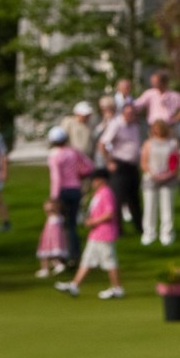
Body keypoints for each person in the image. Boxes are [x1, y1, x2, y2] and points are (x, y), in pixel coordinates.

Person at [60, 168, 124, 299]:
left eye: (94, 180)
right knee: (87, 260)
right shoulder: (98, 194)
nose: (92, 182)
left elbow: (109, 213)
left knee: (109, 261)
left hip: (105, 233)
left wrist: (93, 221)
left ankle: (117, 288)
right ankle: (74, 284)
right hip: (96, 234)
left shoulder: (106, 193)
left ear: (101, 180)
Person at [45, 124, 88, 263]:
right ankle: (75, 253)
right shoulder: (73, 151)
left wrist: (54, 196)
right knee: (72, 224)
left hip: (62, 191)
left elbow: (56, 177)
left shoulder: (54, 155)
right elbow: (89, 166)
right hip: (75, 189)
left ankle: (65, 254)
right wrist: (79, 175)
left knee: (62, 225)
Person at [102, 102, 145, 234]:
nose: (130, 116)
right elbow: (104, 143)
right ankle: (117, 228)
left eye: (132, 113)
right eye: (128, 113)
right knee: (118, 198)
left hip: (132, 165)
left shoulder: (134, 126)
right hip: (120, 164)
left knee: (134, 198)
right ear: (123, 113)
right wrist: (109, 162)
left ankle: (140, 227)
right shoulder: (116, 124)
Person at [141, 120, 180, 246]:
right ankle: (149, 232)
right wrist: (153, 174)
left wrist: (168, 174)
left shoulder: (172, 143)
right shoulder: (149, 143)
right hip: (151, 177)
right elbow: (144, 162)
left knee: (167, 207)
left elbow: (175, 161)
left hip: (168, 177)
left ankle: (167, 233)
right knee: (150, 206)